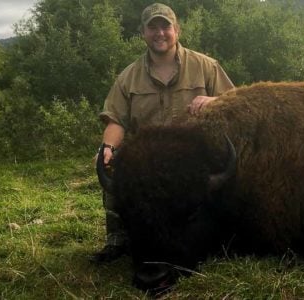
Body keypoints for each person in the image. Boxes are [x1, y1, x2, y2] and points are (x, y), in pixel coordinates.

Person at [90, 3, 235, 263]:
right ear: (143, 33)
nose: (160, 33)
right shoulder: (128, 77)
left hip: (192, 157)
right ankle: (117, 238)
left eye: (165, 26)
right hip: (147, 161)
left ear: (176, 30)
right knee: (112, 169)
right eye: (152, 27)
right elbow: (116, 120)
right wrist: (108, 149)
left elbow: (235, 102)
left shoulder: (206, 66)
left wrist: (214, 101)